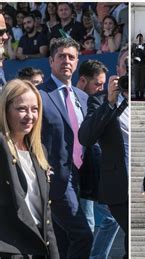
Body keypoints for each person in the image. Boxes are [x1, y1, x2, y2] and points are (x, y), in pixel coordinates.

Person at [38, 37, 92, 258]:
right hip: (54, 179)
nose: (66, 61)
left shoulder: (83, 97)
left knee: (60, 242)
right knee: (83, 235)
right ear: (51, 61)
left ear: (77, 62)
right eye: (61, 56)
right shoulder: (40, 95)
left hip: (79, 177)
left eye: (71, 57)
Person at [0, 79, 59, 258]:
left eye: (34, 109)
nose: (30, 116)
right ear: (5, 110)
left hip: (37, 247)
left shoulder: (40, 152)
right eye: (21, 109)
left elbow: (45, 212)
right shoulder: (1, 146)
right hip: (8, 249)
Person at [76, 58, 122, 258]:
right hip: (76, 172)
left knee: (110, 218)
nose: (101, 88)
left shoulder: (100, 102)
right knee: (86, 222)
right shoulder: (74, 101)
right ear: (83, 81)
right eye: (98, 84)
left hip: (95, 173)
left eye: (104, 84)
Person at [132, 33, 145, 99]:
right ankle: (136, 94)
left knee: (142, 80)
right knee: (136, 79)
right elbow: (131, 54)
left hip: (143, 64)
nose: (139, 40)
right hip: (136, 64)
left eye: (141, 38)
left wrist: (142, 48)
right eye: (138, 38)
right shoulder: (134, 45)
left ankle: (142, 94)